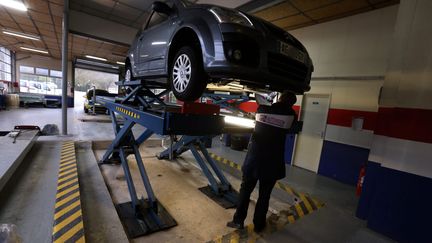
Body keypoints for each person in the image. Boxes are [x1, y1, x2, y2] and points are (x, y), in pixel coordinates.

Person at [227, 90, 298, 232]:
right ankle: (259, 225)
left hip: (254, 160)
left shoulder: (263, 109)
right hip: (273, 163)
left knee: (245, 191)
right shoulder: (291, 116)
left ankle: (238, 221)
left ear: (280, 98)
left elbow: (260, 105)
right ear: (292, 104)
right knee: (264, 196)